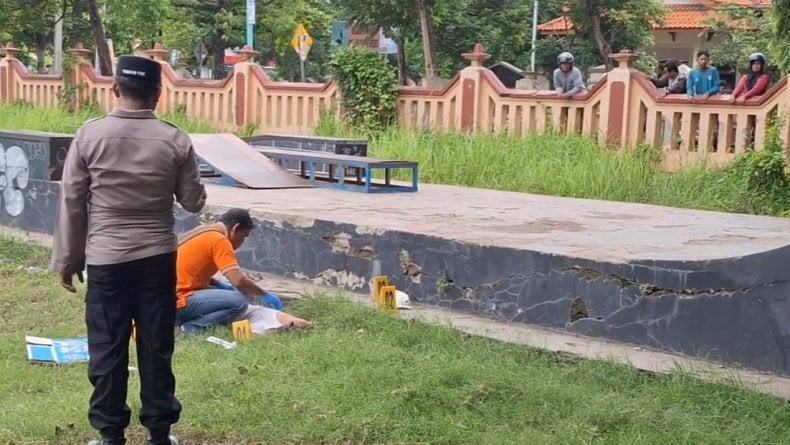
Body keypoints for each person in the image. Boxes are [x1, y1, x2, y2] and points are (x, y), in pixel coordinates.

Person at [50, 55, 207, 445]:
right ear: (158, 93)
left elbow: (71, 200)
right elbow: (193, 202)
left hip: (106, 260)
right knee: (156, 344)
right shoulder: (175, 139)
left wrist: (68, 260)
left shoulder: (88, 136)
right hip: (157, 258)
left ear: (115, 89)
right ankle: (159, 433)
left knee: (107, 345)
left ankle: (110, 435)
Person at [175, 208, 311, 334]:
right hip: (178, 301)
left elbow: (191, 271)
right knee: (239, 301)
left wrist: (219, 285)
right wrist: (263, 294)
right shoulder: (219, 240)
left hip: (166, 297)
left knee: (231, 297)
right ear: (235, 229)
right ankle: (192, 328)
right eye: (244, 236)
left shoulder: (203, 231)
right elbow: (239, 281)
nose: (242, 242)